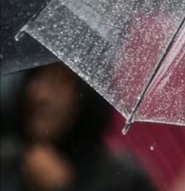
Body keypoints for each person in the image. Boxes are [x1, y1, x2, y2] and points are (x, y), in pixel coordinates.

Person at [0, 63, 156, 191]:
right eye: (36, 77)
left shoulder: (123, 179)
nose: (39, 94)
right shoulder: (6, 162)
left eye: (61, 82)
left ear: (87, 95)